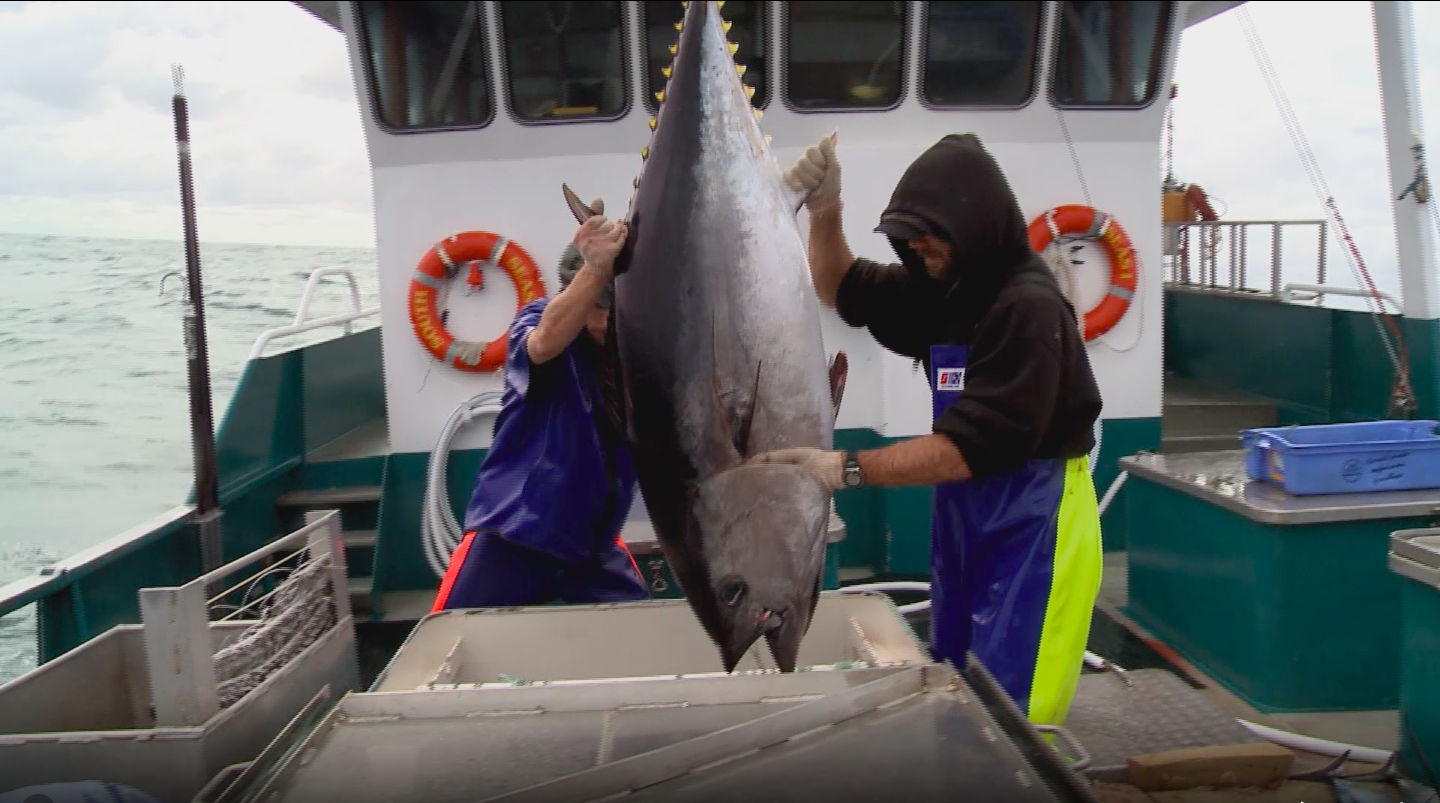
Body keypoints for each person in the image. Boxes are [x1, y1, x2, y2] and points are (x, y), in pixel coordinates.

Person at [751, 131, 1104, 728]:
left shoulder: (1027, 306)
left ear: (976, 225)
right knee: (959, 689)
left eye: (929, 233)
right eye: (907, 236)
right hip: (964, 516)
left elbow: (969, 449)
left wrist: (844, 469)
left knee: (1016, 712)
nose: (917, 245)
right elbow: (838, 284)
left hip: (1036, 518)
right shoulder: (943, 292)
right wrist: (827, 209)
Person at [431, 204, 652, 611]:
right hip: (512, 534)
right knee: (447, 644)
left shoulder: (636, 353)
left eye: (616, 308)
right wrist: (596, 269)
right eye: (596, 306)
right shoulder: (534, 321)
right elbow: (544, 341)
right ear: (575, 292)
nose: (607, 321)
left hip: (591, 547)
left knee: (645, 643)